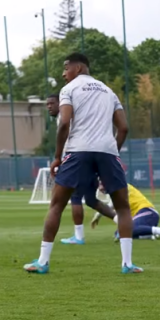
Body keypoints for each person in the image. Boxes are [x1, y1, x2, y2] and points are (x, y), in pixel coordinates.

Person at [23, 53, 141, 274]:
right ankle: (127, 264)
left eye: (66, 68)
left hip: (78, 150)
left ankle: (43, 261)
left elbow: (64, 123)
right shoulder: (108, 90)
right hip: (107, 151)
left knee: (57, 205)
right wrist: (113, 151)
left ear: (77, 68)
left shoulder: (69, 90)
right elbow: (123, 128)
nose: (63, 73)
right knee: (123, 207)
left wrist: (58, 156)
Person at [45, 93, 115, 245]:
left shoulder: (65, 118)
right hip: (92, 157)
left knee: (74, 197)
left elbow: (69, 138)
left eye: (52, 103)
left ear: (60, 103)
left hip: (76, 160)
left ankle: (79, 236)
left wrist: (61, 159)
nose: (49, 106)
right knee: (90, 200)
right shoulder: (77, 116)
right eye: (47, 104)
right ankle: (122, 222)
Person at [90, 182, 160, 241]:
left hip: (148, 212)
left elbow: (110, 206)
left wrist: (97, 216)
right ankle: (147, 235)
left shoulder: (120, 186)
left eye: (101, 183)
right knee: (119, 233)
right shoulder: (115, 189)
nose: (100, 187)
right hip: (142, 217)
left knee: (127, 229)